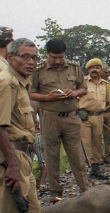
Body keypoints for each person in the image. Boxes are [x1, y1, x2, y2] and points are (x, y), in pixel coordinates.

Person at [0, 37, 46, 213]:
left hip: (24, 156)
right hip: (12, 157)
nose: (30, 62)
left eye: (34, 57)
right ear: (11, 56)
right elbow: (0, 127)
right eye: (25, 56)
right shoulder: (6, 82)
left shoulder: (21, 83)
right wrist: (12, 165)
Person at [30, 38, 89, 196]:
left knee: (77, 156)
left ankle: (85, 191)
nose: (57, 60)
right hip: (50, 118)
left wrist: (74, 92)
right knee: (52, 157)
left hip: (71, 118)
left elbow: (84, 88)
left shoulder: (74, 68)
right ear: (47, 54)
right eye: (53, 57)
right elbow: (30, 92)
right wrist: (47, 97)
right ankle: (55, 193)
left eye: (60, 57)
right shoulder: (38, 70)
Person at [79, 58, 110, 180]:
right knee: (85, 143)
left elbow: (108, 101)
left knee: (97, 142)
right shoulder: (83, 82)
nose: (95, 70)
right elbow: (75, 99)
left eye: (97, 68)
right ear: (88, 69)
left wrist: (106, 113)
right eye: (92, 68)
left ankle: (95, 169)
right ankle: (83, 171)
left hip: (98, 116)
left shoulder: (105, 84)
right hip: (84, 117)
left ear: (101, 69)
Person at [100, 63, 110, 164]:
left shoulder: (108, 82)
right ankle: (97, 157)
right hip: (97, 112)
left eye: (109, 72)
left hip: (108, 111)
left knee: (108, 135)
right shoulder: (88, 81)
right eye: (106, 72)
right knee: (96, 136)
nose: (108, 74)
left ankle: (107, 155)